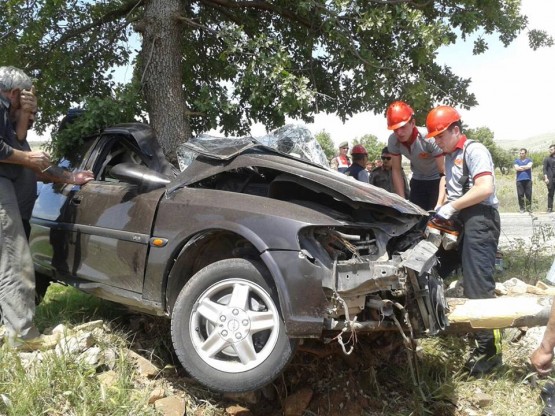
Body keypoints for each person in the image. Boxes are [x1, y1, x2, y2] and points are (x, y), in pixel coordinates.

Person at [0, 66, 93, 347]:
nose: (29, 104)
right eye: (25, 97)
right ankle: (24, 337)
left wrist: (24, 117)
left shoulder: (9, 117)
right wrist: (25, 157)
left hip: (17, 202)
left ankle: (10, 330)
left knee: (10, 265)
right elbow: (22, 156)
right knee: (17, 265)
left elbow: (22, 151)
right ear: (15, 92)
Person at [426, 105, 502, 376]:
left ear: (456, 130)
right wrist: (440, 207)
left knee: (479, 286)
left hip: (480, 218)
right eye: (434, 137)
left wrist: (453, 206)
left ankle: (490, 352)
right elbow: (449, 183)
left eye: (440, 135)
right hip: (458, 218)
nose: (437, 141)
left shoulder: (474, 150)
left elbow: (484, 188)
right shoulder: (448, 155)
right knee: (432, 267)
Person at [386, 101, 445, 209]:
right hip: (418, 180)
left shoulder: (429, 138)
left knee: (435, 218)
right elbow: (396, 170)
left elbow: (444, 172)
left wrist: (440, 203)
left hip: (437, 180)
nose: (399, 132)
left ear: (413, 123)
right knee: (416, 218)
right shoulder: (393, 141)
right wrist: (402, 200)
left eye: (403, 127)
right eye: (395, 129)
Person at [514, 148, 533, 213]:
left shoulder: (529, 160)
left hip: (528, 180)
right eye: (520, 153)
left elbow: (529, 166)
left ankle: (529, 208)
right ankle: (522, 208)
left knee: (528, 194)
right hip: (519, 180)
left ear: (525, 153)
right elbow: (516, 168)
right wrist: (525, 167)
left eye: (523, 153)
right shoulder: (516, 161)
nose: (521, 154)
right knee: (520, 194)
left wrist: (521, 167)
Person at [543, 144, 555, 213]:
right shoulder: (547, 159)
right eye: (549, 149)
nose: (550, 151)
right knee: (550, 194)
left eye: (551, 149)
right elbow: (544, 169)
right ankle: (549, 208)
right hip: (550, 179)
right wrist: (546, 178)